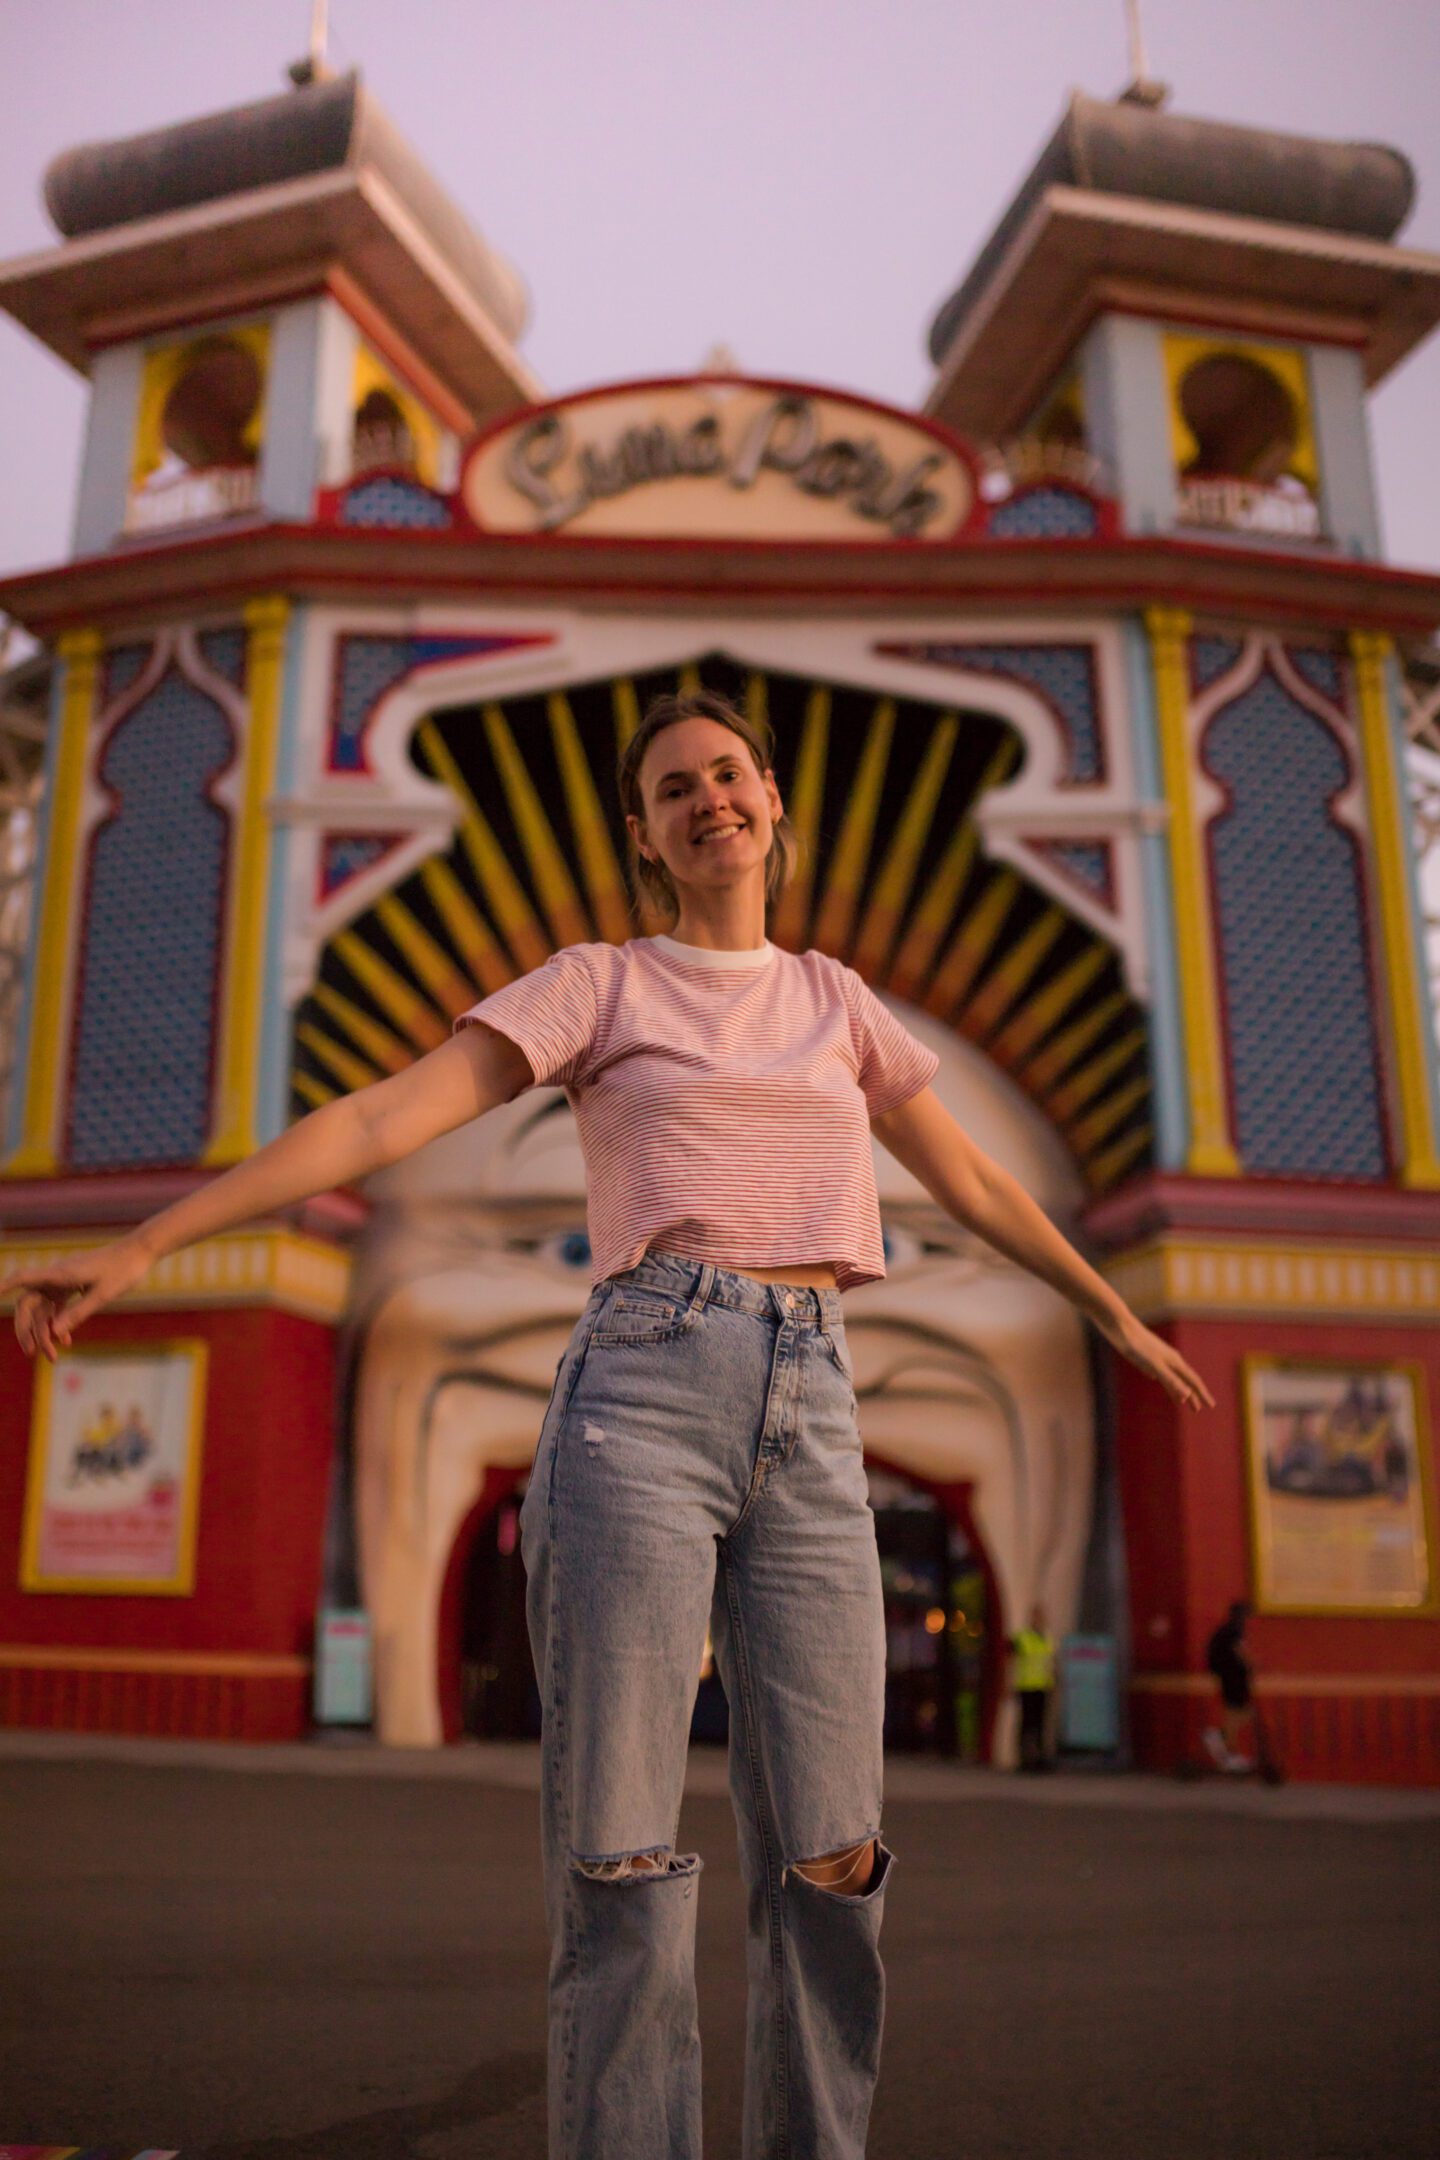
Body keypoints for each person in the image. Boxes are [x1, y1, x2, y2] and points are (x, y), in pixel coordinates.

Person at [5, 685, 1214, 2160]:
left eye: (728, 774)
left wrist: (1108, 1310)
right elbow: (385, 1119)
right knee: (626, 1854)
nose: (708, 799)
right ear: (645, 837)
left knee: (834, 1857)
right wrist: (144, 1245)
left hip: (819, 1406)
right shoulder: (601, 983)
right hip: (643, 1391)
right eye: (672, 790)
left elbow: (974, 1184)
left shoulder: (838, 1000)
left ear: (775, 801)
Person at [1204, 1599, 1255, 1772]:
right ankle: (1228, 1750)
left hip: (1226, 1676)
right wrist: (1252, 1664)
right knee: (1235, 1713)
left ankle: (1221, 1737)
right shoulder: (1234, 1630)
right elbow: (1239, 1650)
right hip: (1233, 1676)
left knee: (1241, 1712)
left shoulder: (1224, 1630)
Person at [1008, 1603, 1057, 1772]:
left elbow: (1051, 1663)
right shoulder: (1022, 1638)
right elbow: (1010, 1661)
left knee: (1040, 1725)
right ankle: (1024, 1759)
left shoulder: (1048, 1638)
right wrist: (1009, 1683)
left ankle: (1039, 1758)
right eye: (1035, 1616)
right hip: (1026, 1686)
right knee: (1026, 1725)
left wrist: (1054, 1682)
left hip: (1043, 1687)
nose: (1038, 1620)